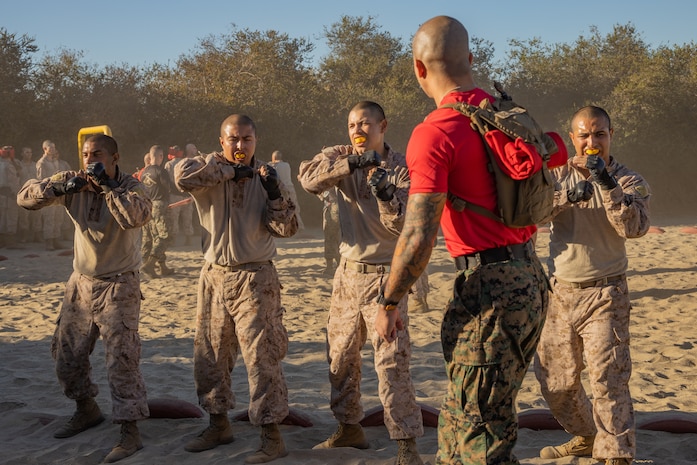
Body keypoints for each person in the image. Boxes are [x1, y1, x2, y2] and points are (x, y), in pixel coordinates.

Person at [374, 16, 549, 465]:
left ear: (418, 68)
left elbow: (417, 233)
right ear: (471, 59)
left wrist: (390, 301)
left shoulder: (434, 132)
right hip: (529, 278)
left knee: (482, 435)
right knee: (462, 415)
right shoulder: (504, 115)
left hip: (489, 291)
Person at [298, 100, 424, 465]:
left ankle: (406, 444)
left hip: (387, 277)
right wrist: (350, 164)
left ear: (382, 125)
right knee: (340, 358)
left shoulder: (401, 167)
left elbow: (403, 226)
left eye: (366, 124)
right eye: (352, 124)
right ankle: (349, 428)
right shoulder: (341, 157)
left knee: (391, 365)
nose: (358, 131)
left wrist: (384, 192)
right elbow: (308, 180)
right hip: (347, 274)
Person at [17, 134, 152, 463]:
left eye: (98, 154)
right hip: (81, 282)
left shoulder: (131, 187)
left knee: (122, 360)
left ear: (115, 157)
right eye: (87, 153)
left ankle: (129, 431)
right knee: (67, 357)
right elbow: (25, 198)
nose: (91, 159)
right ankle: (86, 409)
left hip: (119, 284)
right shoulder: (72, 182)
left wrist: (107, 186)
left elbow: (134, 218)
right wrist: (60, 188)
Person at [174, 114, 298, 464]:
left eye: (246, 139)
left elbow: (288, 228)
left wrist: (273, 191)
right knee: (211, 355)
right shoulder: (208, 170)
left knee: (263, 357)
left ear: (256, 141)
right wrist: (231, 171)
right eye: (233, 139)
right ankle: (218, 424)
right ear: (221, 141)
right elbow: (181, 176)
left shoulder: (270, 176)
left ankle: (271, 435)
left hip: (256, 278)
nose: (240, 146)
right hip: (214, 275)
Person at [533, 106, 651, 465]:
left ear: (611, 135)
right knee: (556, 383)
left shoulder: (629, 180)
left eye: (599, 134)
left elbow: (633, 228)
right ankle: (586, 436)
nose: (591, 142)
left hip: (605, 293)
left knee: (607, 380)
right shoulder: (555, 175)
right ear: (573, 139)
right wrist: (565, 196)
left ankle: (616, 456)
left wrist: (606, 184)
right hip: (561, 293)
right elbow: (531, 214)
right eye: (584, 135)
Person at [140, 145, 178, 277]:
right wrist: (186, 193)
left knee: (155, 237)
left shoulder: (144, 173)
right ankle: (150, 265)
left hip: (148, 206)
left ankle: (163, 267)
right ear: (160, 156)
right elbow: (170, 188)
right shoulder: (161, 171)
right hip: (160, 206)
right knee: (165, 236)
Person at [164, 144, 196, 246]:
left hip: (174, 195)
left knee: (174, 218)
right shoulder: (186, 162)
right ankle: (189, 239)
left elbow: (167, 180)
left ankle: (173, 240)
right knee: (188, 217)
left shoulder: (169, 164)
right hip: (186, 194)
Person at [36, 140, 65, 250]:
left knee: (58, 217)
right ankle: (48, 242)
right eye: (50, 148)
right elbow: (41, 179)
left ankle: (56, 239)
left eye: (54, 147)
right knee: (49, 218)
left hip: (58, 191)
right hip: (49, 192)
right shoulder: (42, 163)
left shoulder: (54, 161)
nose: (53, 150)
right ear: (45, 149)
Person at [269, 150, 304, 230]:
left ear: (273, 158)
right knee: (294, 207)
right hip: (290, 188)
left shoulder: (272, 166)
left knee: (280, 208)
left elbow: (270, 166)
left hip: (281, 189)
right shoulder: (286, 165)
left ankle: (282, 228)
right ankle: (300, 226)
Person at [17, 146, 41, 243]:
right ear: (22, 154)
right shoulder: (19, 165)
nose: (29, 154)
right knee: (24, 217)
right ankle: (24, 237)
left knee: (37, 215)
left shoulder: (35, 165)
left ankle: (37, 236)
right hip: (24, 193)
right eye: (26, 152)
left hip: (34, 193)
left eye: (30, 152)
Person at [0, 146, 20, 248]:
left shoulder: (1, 164)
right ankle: (10, 243)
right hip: (10, 194)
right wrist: (17, 194)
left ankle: (2, 242)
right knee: (11, 218)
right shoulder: (9, 165)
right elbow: (13, 181)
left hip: (2, 194)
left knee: (2, 218)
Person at [318, 187, 340, 275]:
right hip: (331, 204)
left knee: (332, 236)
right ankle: (333, 265)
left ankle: (333, 266)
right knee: (332, 236)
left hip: (334, 204)